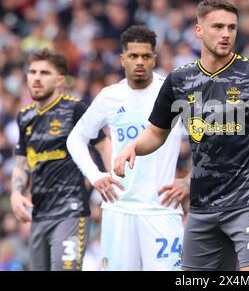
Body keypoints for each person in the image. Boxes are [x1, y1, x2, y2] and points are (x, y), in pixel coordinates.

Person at [114, 0, 249, 271]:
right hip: (202, 207)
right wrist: (133, 147)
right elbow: (156, 133)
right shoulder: (179, 80)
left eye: (232, 28)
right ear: (198, 30)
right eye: (218, 27)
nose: (226, 34)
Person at [66, 25, 185, 271]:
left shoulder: (174, 94)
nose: (139, 62)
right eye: (133, 56)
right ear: (122, 59)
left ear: (155, 59)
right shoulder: (110, 96)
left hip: (161, 210)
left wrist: (189, 181)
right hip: (118, 210)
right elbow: (75, 138)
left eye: (145, 56)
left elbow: (207, 142)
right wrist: (95, 175)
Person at [10, 48, 110, 270]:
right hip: (39, 213)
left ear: (59, 80)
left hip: (71, 212)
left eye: (44, 73)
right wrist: (16, 193)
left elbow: (104, 146)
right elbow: (22, 162)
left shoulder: (75, 109)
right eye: (32, 72)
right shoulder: (25, 116)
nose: (36, 78)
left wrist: (112, 186)